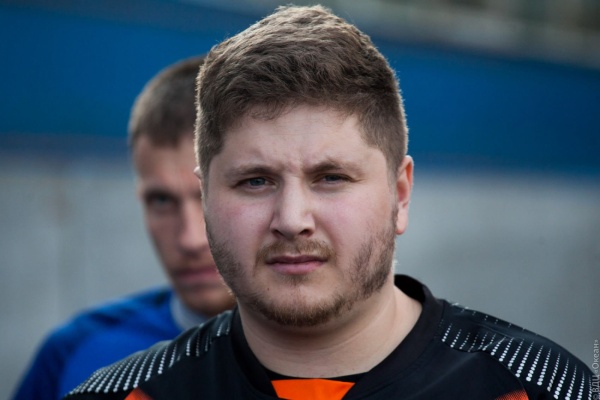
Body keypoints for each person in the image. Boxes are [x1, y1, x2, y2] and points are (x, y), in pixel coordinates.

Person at [65, 5, 593, 400]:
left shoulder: (543, 387)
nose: (292, 220)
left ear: (400, 194)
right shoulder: (124, 395)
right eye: (255, 181)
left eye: (331, 177)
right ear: (206, 197)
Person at [11, 56, 235, 400]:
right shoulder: (74, 356)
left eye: (206, 196)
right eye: (162, 200)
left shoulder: (318, 359)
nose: (190, 239)